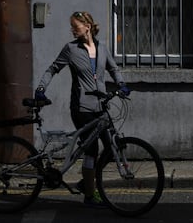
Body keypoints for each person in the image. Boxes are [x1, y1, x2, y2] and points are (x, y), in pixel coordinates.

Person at [35, 11, 130, 207]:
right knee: (91, 150)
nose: (72, 30)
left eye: (75, 26)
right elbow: (52, 68)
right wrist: (41, 89)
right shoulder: (71, 49)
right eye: (72, 26)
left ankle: (85, 181)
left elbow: (113, 69)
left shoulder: (102, 48)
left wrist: (121, 84)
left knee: (113, 147)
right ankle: (89, 195)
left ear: (87, 26)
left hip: (101, 106)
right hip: (81, 108)